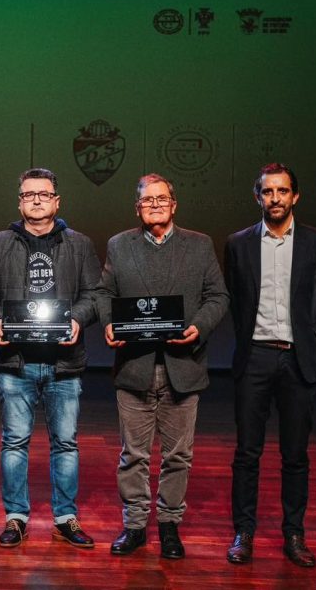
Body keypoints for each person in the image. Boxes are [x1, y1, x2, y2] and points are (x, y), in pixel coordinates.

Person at [96, 173, 229, 559]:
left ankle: (170, 526)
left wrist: (199, 327)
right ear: (137, 208)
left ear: (174, 204)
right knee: (133, 455)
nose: (154, 205)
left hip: (183, 366)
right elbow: (104, 292)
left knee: (178, 456)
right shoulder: (120, 245)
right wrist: (109, 323)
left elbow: (218, 296)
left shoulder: (199, 245)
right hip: (134, 367)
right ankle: (135, 526)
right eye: (147, 200)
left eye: (161, 199)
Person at [0, 167, 101, 549]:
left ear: (56, 201)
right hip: (16, 362)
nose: (36, 200)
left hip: (64, 363)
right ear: (19, 202)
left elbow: (94, 294)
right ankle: (16, 518)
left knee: (65, 443)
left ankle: (65, 518)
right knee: (15, 442)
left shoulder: (79, 244)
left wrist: (77, 319)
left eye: (44, 194)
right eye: (29, 194)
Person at [224, 162, 316, 568]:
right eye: (268, 191)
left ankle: (294, 534)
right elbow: (235, 298)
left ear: (295, 196)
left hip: (297, 359)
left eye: (282, 191)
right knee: (247, 453)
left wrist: (310, 341)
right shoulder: (238, 244)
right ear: (258, 196)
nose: (275, 198)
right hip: (255, 356)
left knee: (296, 455)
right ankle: (244, 532)